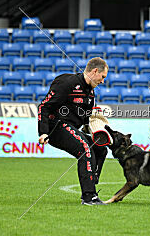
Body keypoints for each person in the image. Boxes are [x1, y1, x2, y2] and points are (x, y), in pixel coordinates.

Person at [38, 57, 109, 205]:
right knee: (85, 148)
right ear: (95, 71)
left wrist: (98, 130)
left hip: (71, 128)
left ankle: (91, 180)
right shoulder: (67, 83)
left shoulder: (90, 93)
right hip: (55, 127)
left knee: (100, 149)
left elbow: (86, 119)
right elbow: (44, 107)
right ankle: (89, 197)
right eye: (102, 77)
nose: (103, 81)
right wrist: (43, 132)